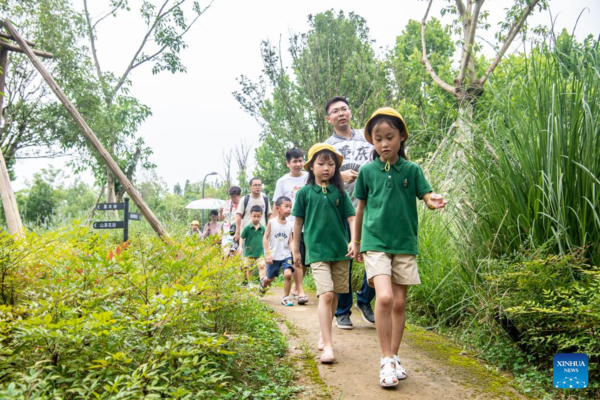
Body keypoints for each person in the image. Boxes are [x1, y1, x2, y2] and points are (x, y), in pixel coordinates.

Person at [352, 107, 447, 387]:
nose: (384, 143)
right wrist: (356, 241)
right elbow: (360, 208)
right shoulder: (367, 172)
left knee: (399, 302)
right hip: (375, 243)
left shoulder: (412, 170)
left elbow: (426, 195)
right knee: (383, 298)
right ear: (372, 141)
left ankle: (393, 356)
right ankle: (385, 359)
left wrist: (434, 200)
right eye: (378, 138)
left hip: (404, 243)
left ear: (401, 137)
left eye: (390, 137)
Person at [292, 143, 356, 364]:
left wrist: (354, 241)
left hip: (340, 251)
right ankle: (328, 346)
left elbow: (351, 217)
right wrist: (296, 250)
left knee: (336, 295)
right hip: (317, 251)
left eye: (331, 164)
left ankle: (324, 332)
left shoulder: (340, 192)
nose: (327, 168)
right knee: (326, 294)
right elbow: (298, 223)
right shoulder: (305, 193)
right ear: (311, 167)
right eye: (321, 163)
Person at [324, 96, 376, 329]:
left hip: (370, 207)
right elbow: (317, 178)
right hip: (341, 210)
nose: (341, 113)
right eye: (335, 111)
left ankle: (364, 300)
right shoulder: (327, 147)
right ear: (329, 119)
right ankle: (342, 311)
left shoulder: (368, 139)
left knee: (375, 254)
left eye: (344, 109)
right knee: (345, 259)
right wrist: (339, 176)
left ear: (351, 112)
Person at [272, 148, 308, 305]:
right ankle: (300, 291)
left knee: (306, 260)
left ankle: (295, 288)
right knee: (296, 257)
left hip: (310, 224)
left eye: (301, 160)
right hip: (292, 226)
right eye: (295, 161)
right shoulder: (282, 181)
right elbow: (276, 205)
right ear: (288, 163)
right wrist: (275, 226)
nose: (298, 164)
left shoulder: (309, 177)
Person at [260, 196, 295, 306]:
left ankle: (285, 297)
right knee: (270, 278)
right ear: (278, 208)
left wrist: (295, 254)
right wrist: (267, 254)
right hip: (273, 256)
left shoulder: (290, 224)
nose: (289, 209)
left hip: (286, 254)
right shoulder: (271, 222)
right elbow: (265, 238)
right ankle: (263, 283)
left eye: (290, 207)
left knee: (288, 274)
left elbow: (291, 241)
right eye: (286, 206)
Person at [234, 178, 272, 278]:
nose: (257, 187)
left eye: (259, 185)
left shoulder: (265, 199)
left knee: (261, 261)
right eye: (255, 185)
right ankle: (245, 281)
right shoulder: (245, 199)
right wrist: (237, 232)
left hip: (261, 233)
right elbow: (238, 216)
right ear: (250, 186)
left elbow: (269, 216)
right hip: (247, 234)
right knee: (246, 262)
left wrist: (270, 231)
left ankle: (262, 281)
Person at [239, 205, 266, 285]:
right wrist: (240, 247)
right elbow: (242, 237)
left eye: (258, 216)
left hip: (259, 252)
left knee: (262, 266)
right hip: (249, 252)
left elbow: (265, 239)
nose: (256, 218)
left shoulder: (262, 228)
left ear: (261, 216)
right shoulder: (247, 228)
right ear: (250, 215)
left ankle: (262, 280)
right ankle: (249, 282)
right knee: (248, 268)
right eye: (254, 216)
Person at [219, 186, 242, 254]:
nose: (233, 199)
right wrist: (220, 212)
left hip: (241, 232)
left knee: (239, 253)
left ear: (239, 195)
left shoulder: (244, 204)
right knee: (226, 253)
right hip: (228, 233)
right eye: (231, 197)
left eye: (234, 197)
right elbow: (221, 219)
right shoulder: (226, 204)